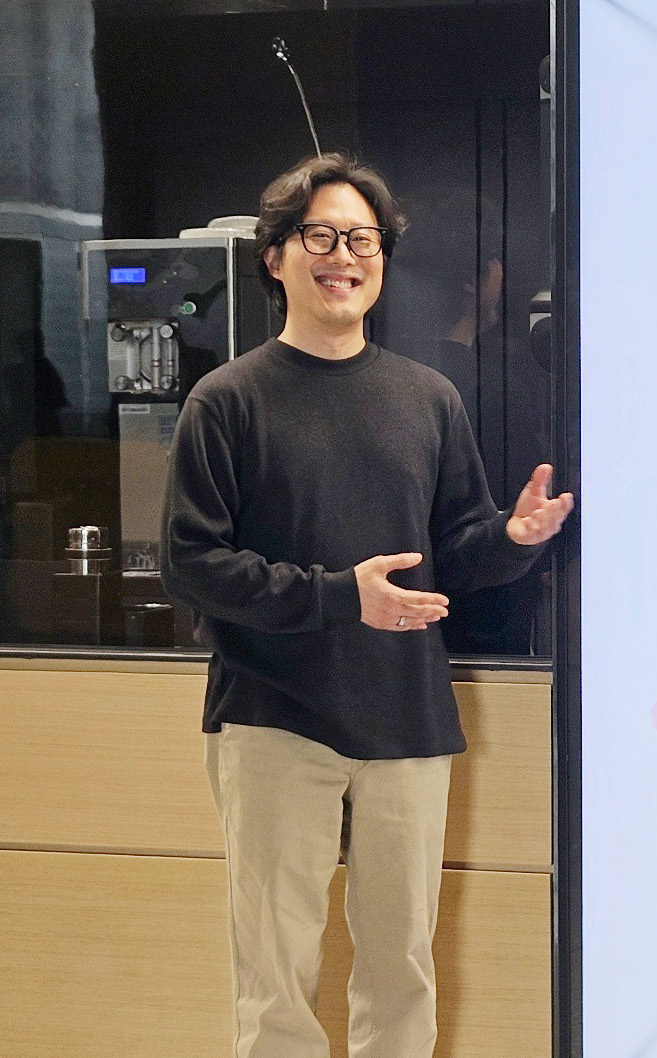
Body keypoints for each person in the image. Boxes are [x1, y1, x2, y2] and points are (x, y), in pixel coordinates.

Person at [159, 152, 572, 1058]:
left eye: (363, 240)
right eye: (320, 237)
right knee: (276, 984)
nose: (343, 257)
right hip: (273, 716)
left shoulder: (427, 398)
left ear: (382, 260)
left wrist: (513, 538)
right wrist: (341, 596)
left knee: (402, 973)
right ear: (275, 258)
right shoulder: (225, 401)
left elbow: (455, 549)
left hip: (406, 719)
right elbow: (191, 565)